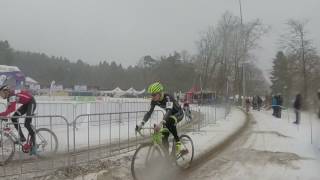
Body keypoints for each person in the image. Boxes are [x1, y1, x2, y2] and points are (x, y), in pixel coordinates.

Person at [136, 82, 184, 155]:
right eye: (151, 95)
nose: (152, 97)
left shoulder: (168, 98)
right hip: (169, 115)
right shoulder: (154, 101)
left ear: (160, 93)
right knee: (164, 137)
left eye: (154, 95)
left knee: (170, 120)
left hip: (178, 113)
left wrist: (161, 123)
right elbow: (149, 113)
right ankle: (167, 158)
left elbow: (169, 111)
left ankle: (178, 142)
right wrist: (142, 124)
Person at [0, 85, 37, 154]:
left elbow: (12, 109)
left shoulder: (12, 95)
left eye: (1, 94)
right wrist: (4, 116)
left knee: (27, 124)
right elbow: (8, 110)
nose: (1, 96)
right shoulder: (9, 97)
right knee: (14, 118)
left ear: (6, 91)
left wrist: (1, 114)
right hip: (26, 104)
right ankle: (22, 137)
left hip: (31, 102)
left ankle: (34, 145)